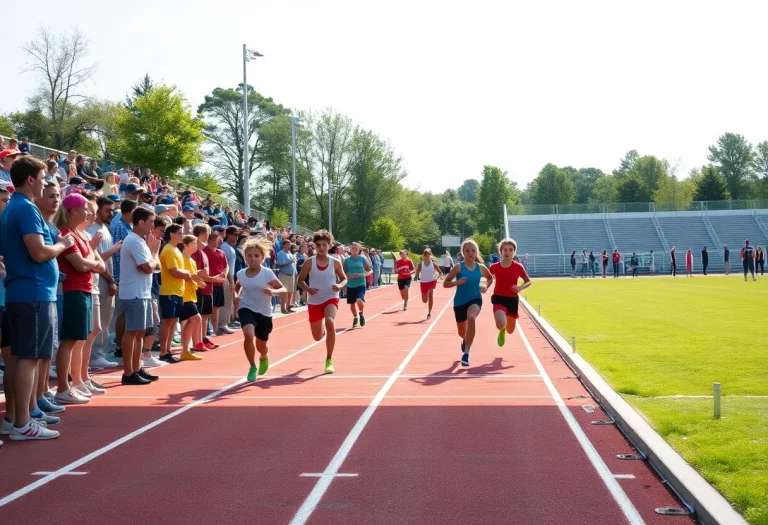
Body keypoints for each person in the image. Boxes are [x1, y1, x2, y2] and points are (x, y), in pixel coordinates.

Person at [0, 156, 73, 440]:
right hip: (33, 292)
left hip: (24, 291)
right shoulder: (26, 208)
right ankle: (21, 423)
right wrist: (62, 244)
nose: (45, 184)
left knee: (19, 358)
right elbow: (39, 252)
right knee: (28, 358)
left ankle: (14, 419)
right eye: (43, 178)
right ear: (31, 180)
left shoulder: (14, 208)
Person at [117, 207, 161, 385]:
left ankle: (136, 367)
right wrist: (154, 253)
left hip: (142, 292)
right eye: (151, 221)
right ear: (141, 222)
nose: (153, 225)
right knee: (133, 332)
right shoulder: (134, 241)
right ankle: (128, 372)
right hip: (134, 293)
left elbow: (153, 267)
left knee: (140, 331)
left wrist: (152, 258)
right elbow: (149, 267)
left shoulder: (141, 241)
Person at [234, 238, 286, 382]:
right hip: (246, 307)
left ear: (262, 258)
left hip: (264, 312)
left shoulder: (267, 273)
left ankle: (263, 357)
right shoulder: (241, 273)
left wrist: (273, 292)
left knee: (261, 345)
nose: (253, 259)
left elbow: (283, 288)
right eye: (249, 255)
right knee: (248, 334)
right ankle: (252, 366)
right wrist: (236, 296)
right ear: (245, 257)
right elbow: (237, 286)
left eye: (256, 256)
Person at [296, 230, 347, 374]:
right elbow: (300, 280)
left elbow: (344, 278)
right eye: (318, 245)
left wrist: (340, 285)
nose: (321, 248)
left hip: (331, 296)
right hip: (314, 300)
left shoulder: (335, 262)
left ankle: (329, 359)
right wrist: (307, 288)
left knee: (330, 321)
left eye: (324, 245)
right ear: (314, 246)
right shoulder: (309, 262)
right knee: (317, 337)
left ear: (330, 245)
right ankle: (323, 330)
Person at [443, 239, 493, 367]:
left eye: (473, 250)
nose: (470, 253)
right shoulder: (458, 267)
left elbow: (490, 278)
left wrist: (486, 287)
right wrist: (456, 283)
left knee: (471, 318)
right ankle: (465, 339)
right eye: (467, 251)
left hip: (475, 299)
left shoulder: (481, 268)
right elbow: (445, 283)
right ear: (463, 253)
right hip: (460, 302)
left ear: (477, 252)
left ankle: (466, 353)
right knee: (462, 332)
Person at [158, 224, 192, 363]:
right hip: (169, 291)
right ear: (171, 234)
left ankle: (168, 350)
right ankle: (163, 351)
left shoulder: (175, 249)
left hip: (177, 291)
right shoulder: (169, 250)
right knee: (168, 322)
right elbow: (174, 271)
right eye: (179, 233)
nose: (182, 235)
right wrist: (189, 274)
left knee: (173, 322)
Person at [489, 239, 530, 346]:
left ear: (514, 252)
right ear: (501, 251)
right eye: (505, 249)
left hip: (512, 299)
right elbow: (488, 278)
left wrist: (520, 287)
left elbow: (528, 281)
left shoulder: (518, 267)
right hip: (498, 298)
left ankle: (504, 330)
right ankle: (501, 329)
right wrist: (484, 286)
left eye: (510, 250)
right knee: (500, 324)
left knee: (510, 330)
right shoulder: (494, 267)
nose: (507, 252)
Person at [343, 242, 371, 328]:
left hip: (361, 283)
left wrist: (361, 275)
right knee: (352, 304)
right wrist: (350, 276)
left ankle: (361, 314)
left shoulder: (362, 259)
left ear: (359, 250)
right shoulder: (347, 260)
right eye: (352, 248)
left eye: (356, 248)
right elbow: (343, 273)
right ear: (349, 250)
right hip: (350, 284)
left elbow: (369, 270)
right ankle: (355, 317)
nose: (354, 250)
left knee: (359, 300)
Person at [414, 248, 442, 320]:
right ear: (423, 255)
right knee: (424, 300)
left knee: (430, 295)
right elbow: (417, 273)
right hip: (423, 283)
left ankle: (429, 313)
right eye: (425, 254)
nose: (426, 256)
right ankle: (426, 301)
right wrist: (416, 277)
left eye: (428, 254)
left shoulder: (433, 264)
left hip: (432, 281)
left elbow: (440, 273)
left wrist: (436, 279)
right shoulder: (421, 264)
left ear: (430, 255)